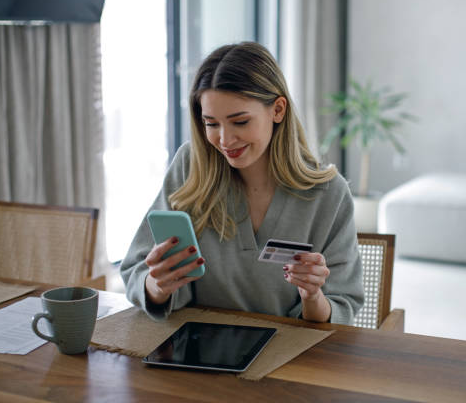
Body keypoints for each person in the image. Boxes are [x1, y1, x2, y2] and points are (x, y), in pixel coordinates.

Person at [120, 42, 364, 324]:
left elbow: (342, 305)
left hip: (288, 355)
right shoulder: (190, 167)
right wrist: (157, 286)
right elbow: (137, 269)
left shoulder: (328, 194)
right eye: (211, 124)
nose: (225, 140)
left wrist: (312, 296)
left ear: (278, 110)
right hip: (197, 348)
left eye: (240, 122)